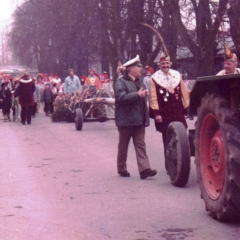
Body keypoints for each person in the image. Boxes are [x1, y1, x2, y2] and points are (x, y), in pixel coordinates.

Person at [114, 55, 157, 179]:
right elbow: (121, 97)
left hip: (139, 121)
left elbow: (142, 102)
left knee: (141, 145)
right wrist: (137, 95)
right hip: (125, 121)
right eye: (139, 67)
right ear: (131, 69)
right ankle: (122, 168)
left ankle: (144, 170)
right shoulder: (120, 82)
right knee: (123, 146)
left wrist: (145, 119)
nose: (141, 69)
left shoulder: (140, 81)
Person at [149, 53, 189, 151]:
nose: (165, 66)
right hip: (164, 113)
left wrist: (187, 108)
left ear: (170, 64)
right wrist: (157, 114)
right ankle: (170, 163)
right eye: (163, 64)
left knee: (182, 135)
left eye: (167, 63)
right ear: (159, 65)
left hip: (178, 112)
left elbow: (184, 93)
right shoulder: (154, 78)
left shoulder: (177, 75)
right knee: (167, 137)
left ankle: (183, 160)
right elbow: (153, 97)